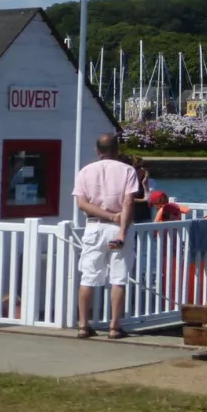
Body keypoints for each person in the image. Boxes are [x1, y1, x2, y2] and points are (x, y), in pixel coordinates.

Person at [74, 133, 139, 339]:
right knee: (118, 278)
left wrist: (108, 217)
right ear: (116, 149)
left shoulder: (85, 171)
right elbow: (128, 202)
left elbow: (82, 204)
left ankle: (84, 325)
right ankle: (114, 327)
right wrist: (120, 229)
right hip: (117, 227)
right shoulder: (127, 170)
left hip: (93, 227)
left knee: (88, 276)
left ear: (97, 150)